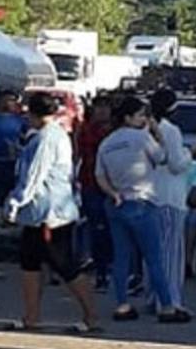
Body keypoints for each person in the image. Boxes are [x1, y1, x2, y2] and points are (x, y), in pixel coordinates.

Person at [4, 92, 101, 333]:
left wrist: (15, 203)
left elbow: (34, 175)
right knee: (29, 263)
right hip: (40, 213)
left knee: (64, 264)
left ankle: (91, 317)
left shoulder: (46, 139)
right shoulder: (54, 135)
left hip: (50, 212)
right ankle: (31, 316)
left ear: (33, 113)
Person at [96, 96, 191, 324]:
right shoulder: (141, 137)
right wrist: (158, 136)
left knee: (121, 257)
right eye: (140, 115)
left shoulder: (107, 143)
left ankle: (122, 304)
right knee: (154, 257)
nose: (144, 120)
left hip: (117, 202)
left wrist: (113, 193)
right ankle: (167, 306)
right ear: (128, 118)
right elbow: (164, 158)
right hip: (142, 200)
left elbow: (99, 175)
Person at [149, 89, 192, 314]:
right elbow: (176, 164)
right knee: (171, 254)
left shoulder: (145, 128)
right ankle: (170, 301)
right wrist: (188, 155)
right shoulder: (171, 130)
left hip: (151, 196)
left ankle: (154, 296)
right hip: (171, 197)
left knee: (154, 252)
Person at [77, 96, 115, 291]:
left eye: (105, 107)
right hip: (90, 182)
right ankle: (99, 269)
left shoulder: (117, 132)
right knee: (96, 226)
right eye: (98, 107)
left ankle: (112, 267)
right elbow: (78, 153)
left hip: (113, 185)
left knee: (112, 228)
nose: (101, 111)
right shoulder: (85, 129)